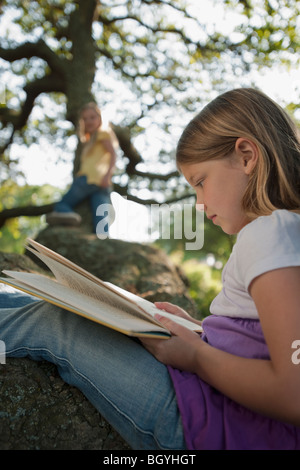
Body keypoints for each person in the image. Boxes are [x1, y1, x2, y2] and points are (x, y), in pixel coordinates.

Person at [1, 88, 300, 450]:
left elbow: (292, 392)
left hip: (216, 424)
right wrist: (199, 329)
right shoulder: (284, 233)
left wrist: (197, 356)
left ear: (247, 156)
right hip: (217, 408)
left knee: (59, 322)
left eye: (200, 182)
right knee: (83, 301)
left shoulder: (269, 234)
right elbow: (267, 339)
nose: (200, 202)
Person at [46, 102, 117, 235]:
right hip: (100, 183)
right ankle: (103, 240)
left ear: (100, 119)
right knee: (101, 222)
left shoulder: (102, 133)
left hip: (88, 178)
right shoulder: (90, 140)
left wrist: (108, 175)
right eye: (85, 119)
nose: (89, 121)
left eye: (92, 117)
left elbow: (113, 154)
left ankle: (70, 216)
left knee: (61, 205)